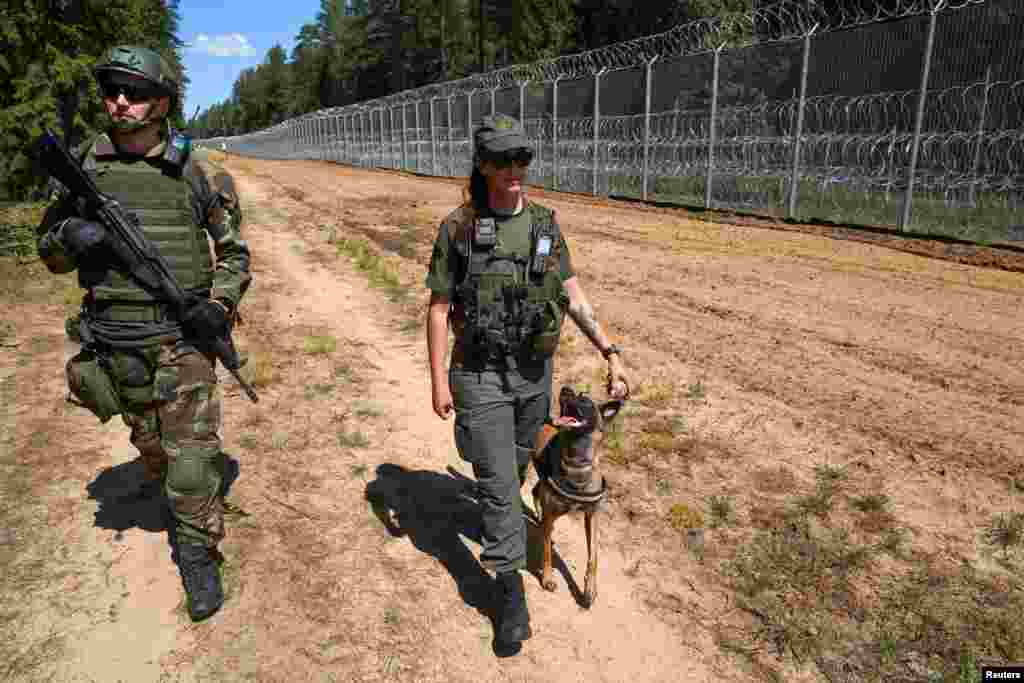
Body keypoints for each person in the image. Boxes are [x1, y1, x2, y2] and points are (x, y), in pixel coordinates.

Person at [36, 46, 251, 622]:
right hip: (115, 342)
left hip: (180, 342)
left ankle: (198, 553)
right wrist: (70, 238)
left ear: (161, 101)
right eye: (111, 90)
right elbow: (47, 251)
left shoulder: (197, 170)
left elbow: (235, 254)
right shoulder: (86, 167)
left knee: (190, 463)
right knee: (153, 448)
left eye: (132, 92)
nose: (120, 102)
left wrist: (219, 304)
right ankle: (182, 503)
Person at [425, 114, 630, 648]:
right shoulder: (460, 228)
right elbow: (439, 307)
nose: (516, 169)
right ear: (485, 166)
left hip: (534, 378)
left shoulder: (545, 226)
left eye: (523, 159)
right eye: (504, 160)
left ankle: (506, 533)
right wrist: (437, 381)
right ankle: (509, 594)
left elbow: (573, 295)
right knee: (497, 484)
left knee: (516, 470)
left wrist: (609, 349)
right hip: (479, 374)